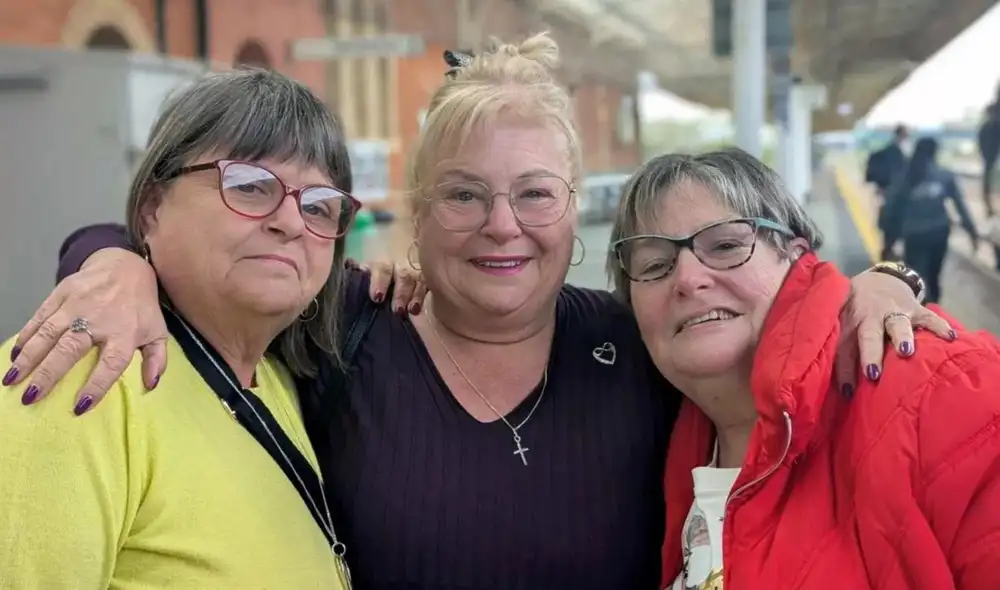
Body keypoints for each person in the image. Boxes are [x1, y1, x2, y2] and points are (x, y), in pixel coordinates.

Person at [7, 34, 954, 589]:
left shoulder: (639, 342)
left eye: (535, 195)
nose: (503, 227)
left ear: (573, 207)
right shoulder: (348, 326)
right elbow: (207, 271)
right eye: (463, 196)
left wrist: (881, 284)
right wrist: (112, 264)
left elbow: (769, 335)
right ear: (418, 215)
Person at [0, 69, 365, 588]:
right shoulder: (79, 373)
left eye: (319, 205)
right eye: (250, 185)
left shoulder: (276, 378)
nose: (289, 222)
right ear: (152, 208)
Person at [607, 148, 1000, 590]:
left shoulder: (942, 396)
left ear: (797, 258)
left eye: (725, 246)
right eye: (655, 265)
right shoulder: (663, 444)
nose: (687, 278)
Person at [882, 137, 979, 304]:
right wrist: (972, 232)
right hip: (939, 233)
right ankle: (933, 310)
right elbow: (960, 206)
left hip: (913, 235)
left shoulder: (904, 177)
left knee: (915, 278)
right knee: (934, 278)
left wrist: (889, 242)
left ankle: (920, 310)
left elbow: (892, 211)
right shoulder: (944, 175)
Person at [866, 124, 909, 260]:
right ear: (901, 135)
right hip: (895, 195)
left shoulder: (889, 151)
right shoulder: (898, 152)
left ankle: (888, 250)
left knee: (888, 222)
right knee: (895, 222)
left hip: (888, 194)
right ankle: (889, 252)